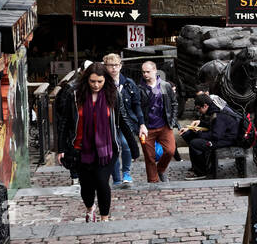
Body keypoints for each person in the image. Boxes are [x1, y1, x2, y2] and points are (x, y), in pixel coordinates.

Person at [58, 62, 140, 222]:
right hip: (81, 149)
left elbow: (122, 120)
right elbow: (65, 122)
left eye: (99, 81)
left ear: (105, 81)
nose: (96, 85)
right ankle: (90, 207)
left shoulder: (113, 95)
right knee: (86, 187)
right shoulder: (75, 95)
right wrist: (60, 148)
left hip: (107, 149)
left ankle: (105, 218)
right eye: (92, 81)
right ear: (86, 80)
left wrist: (133, 146)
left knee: (102, 183)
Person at [103, 53, 146, 188]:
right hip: (108, 122)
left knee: (126, 144)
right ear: (106, 67)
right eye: (110, 66)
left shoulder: (128, 83)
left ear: (120, 66)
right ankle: (116, 177)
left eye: (116, 65)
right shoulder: (102, 83)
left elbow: (137, 105)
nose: (114, 68)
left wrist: (141, 123)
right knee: (114, 148)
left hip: (126, 121)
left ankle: (126, 172)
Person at [184, 92, 243, 178]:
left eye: (198, 108)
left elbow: (216, 136)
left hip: (229, 139)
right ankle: (200, 166)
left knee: (194, 143)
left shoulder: (218, 114)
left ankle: (201, 173)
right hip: (225, 135)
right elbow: (214, 125)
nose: (199, 111)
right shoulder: (214, 108)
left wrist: (199, 133)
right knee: (190, 135)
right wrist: (201, 124)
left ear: (205, 106)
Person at [139, 59, 179, 183]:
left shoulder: (165, 85)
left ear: (155, 71)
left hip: (164, 125)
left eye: (148, 71)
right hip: (147, 127)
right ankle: (153, 182)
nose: (145, 74)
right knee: (149, 157)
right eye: (143, 72)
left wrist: (172, 122)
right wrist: (140, 125)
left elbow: (174, 103)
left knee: (170, 150)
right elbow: (137, 108)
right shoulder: (139, 88)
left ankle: (160, 169)